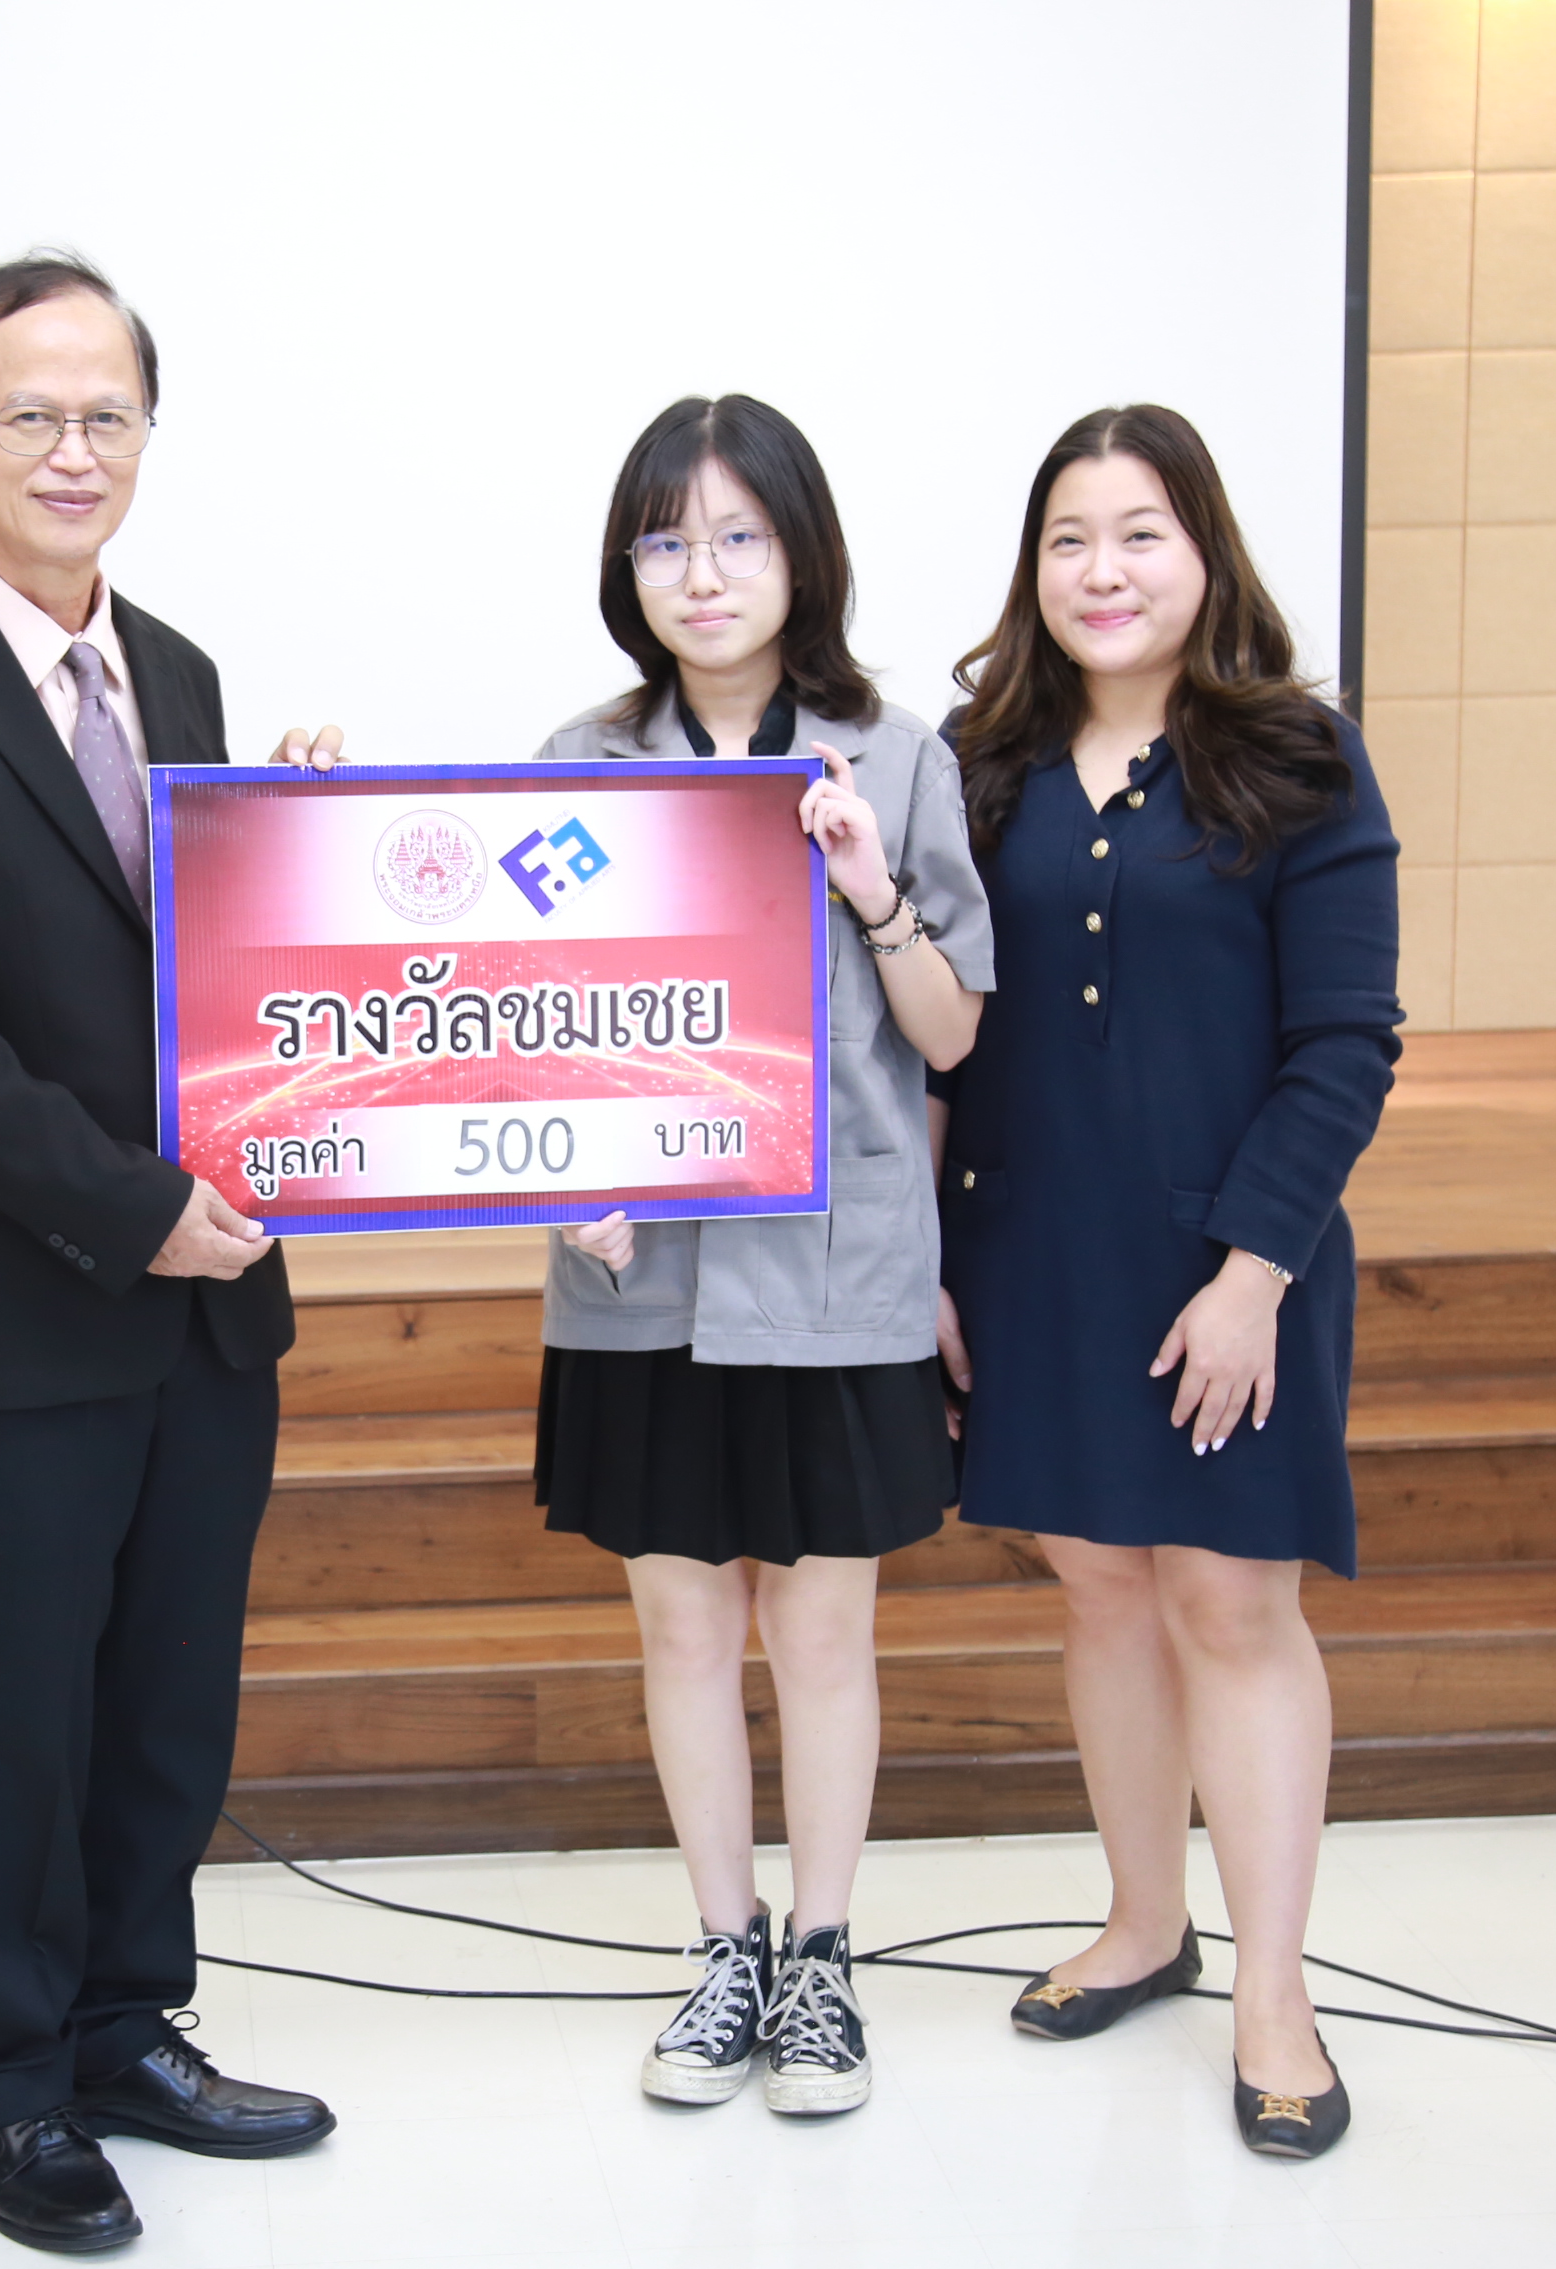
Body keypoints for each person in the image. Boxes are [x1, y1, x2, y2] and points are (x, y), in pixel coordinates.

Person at [0, 252, 346, 2254]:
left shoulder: (176, 674)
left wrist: (309, 858)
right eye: (29, 413)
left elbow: (207, 978)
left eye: (108, 413)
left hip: (213, 1313)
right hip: (25, 1312)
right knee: (11, 1719)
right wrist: (128, 1208)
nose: (71, 449)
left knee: (167, 1702)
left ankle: (123, 2028)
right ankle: (5, 2081)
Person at [933, 403, 1401, 2160]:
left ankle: (1276, 1997)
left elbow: (1346, 1042)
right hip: (1033, 1250)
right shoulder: (981, 766)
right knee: (1104, 1596)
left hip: (1230, 1262)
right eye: (1069, 538)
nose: (1102, 570)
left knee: (1231, 1606)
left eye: (1140, 533)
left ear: (1205, 551)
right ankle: (1145, 1924)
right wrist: (932, 1262)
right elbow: (933, 1032)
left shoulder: (1299, 757)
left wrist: (1255, 1271)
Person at [532, 396, 992, 2116]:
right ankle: (722, 1951)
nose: (702, 573)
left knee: (821, 1633)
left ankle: (822, 1960)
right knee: (679, 1626)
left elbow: (951, 1035)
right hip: (638, 1273)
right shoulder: (578, 765)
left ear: (802, 555)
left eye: (737, 535)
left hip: (830, 1267)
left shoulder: (897, 758)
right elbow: (530, 1026)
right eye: (666, 540)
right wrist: (557, 1179)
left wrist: (871, 887)